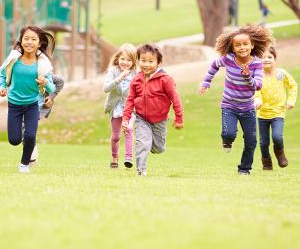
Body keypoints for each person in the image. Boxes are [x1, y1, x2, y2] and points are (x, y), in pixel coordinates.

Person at [198, 24, 273, 175]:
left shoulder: (257, 63)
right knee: (229, 134)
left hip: (248, 108)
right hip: (229, 105)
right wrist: (206, 82)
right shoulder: (228, 59)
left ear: (252, 45)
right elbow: (214, 65)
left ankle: (244, 169)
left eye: (245, 44)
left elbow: (257, 86)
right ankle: (227, 140)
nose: (242, 47)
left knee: (251, 141)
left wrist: (247, 77)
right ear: (232, 47)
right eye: (237, 45)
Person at [0, 25, 55, 173]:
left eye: (33, 39)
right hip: (14, 104)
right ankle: (24, 145)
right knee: (14, 140)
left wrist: (45, 83)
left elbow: (52, 89)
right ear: (21, 41)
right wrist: (2, 87)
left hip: (32, 105)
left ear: (39, 43)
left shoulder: (42, 64)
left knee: (30, 135)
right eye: (26, 38)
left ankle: (24, 164)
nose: (29, 42)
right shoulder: (13, 59)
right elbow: (3, 75)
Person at [122, 44, 184, 177]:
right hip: (141, 118)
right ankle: (141, 171)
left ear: (158, 63)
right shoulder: (136, 80)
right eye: (143, 61)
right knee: (142, 143)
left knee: (158, 148)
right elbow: (130, 100)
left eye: (150, 61)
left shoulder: (165, 80)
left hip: (160, 120)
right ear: (138, 61)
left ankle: (150, 145)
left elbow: (176, 99)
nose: (146, 64)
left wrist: (179, 118)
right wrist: (126, 119)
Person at [255, 46, 297, 170]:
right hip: (262, 114)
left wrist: (291, 100)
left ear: (275, 59)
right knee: (263, 143)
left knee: (277, 137)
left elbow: (293, 86)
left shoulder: (281, 74)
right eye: (262, 57)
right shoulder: (258, 76)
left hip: (278, 113)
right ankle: (267, 162)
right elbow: (255, 90)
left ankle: (280, 153)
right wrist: (257, 100)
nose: (266, 60)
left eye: (269, 57)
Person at [103, 43, 137, 169]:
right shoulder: (113, 71)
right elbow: (106, 88)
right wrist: (119, 78)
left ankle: (128, 159)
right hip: (116, 107)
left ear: (133, 62)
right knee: (116, 136)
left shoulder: (135, 74)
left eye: (129, 60)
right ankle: (114, 158)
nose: (125, 62)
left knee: (128, 130)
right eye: (123, 59)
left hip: (130, 108)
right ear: (118, 58)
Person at [29, 74, 64, 165]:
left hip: (38, 106)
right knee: (23, 130)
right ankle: (32, 155)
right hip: (22, 104)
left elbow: (60, 81)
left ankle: (31, 157)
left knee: (28, 129)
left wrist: (51, 97)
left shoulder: (43, 73)